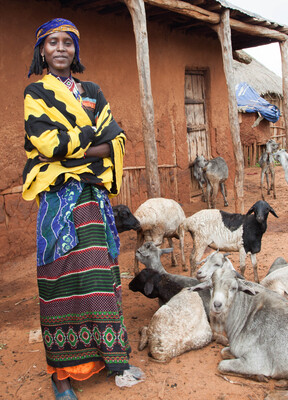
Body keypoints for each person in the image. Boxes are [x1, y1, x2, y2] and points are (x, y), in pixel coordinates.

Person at [23, 18, 142, 399]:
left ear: (76, 50)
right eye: (53, 42)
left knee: (99, 278)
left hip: (91, 197)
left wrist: (74, 146)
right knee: (61, 278)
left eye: (68, 42)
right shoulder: (35, 94)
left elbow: (116, 140)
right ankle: (61, 375)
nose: (61, 49)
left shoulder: (92, 91)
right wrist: (91, 137)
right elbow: (46, 145)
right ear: (42, 51)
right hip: (58, 200)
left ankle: (111, 358)